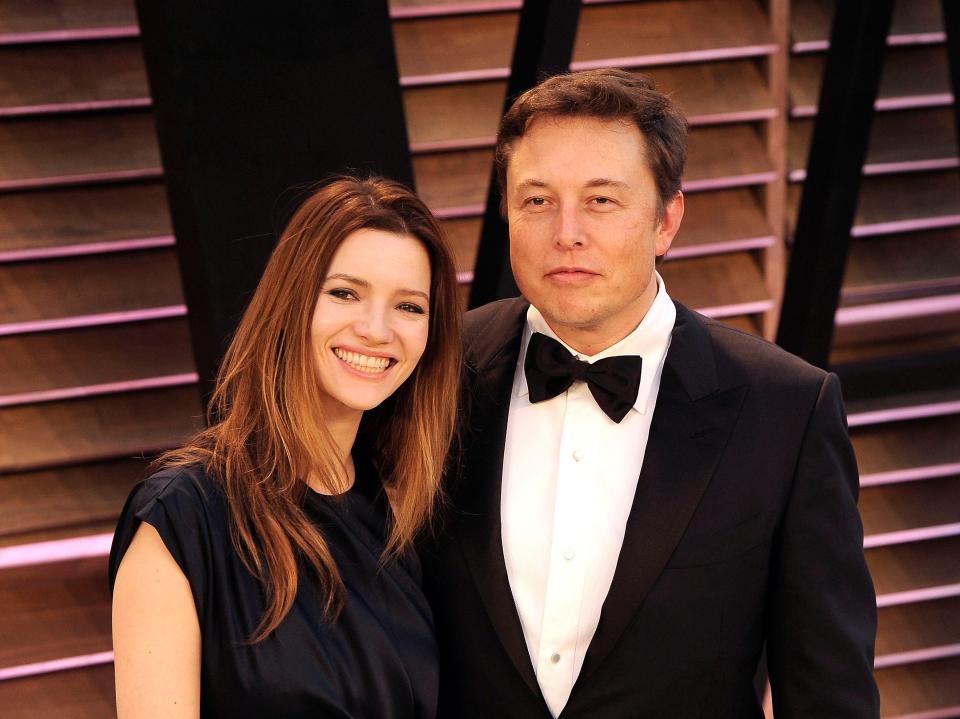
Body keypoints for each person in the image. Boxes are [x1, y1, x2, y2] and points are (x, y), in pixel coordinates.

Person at [422, 69, 880, 717]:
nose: (566, 232)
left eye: (602, 200)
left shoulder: (786, 409)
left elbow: (829, 694)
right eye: (536, 200)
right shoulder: (431, 369)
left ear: (667, 220)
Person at [110, 176, 461, 719]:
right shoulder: (182, 515)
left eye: (409, 307)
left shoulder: (402, 509)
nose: (375, 329)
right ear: (292, 302)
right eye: (345, 293)